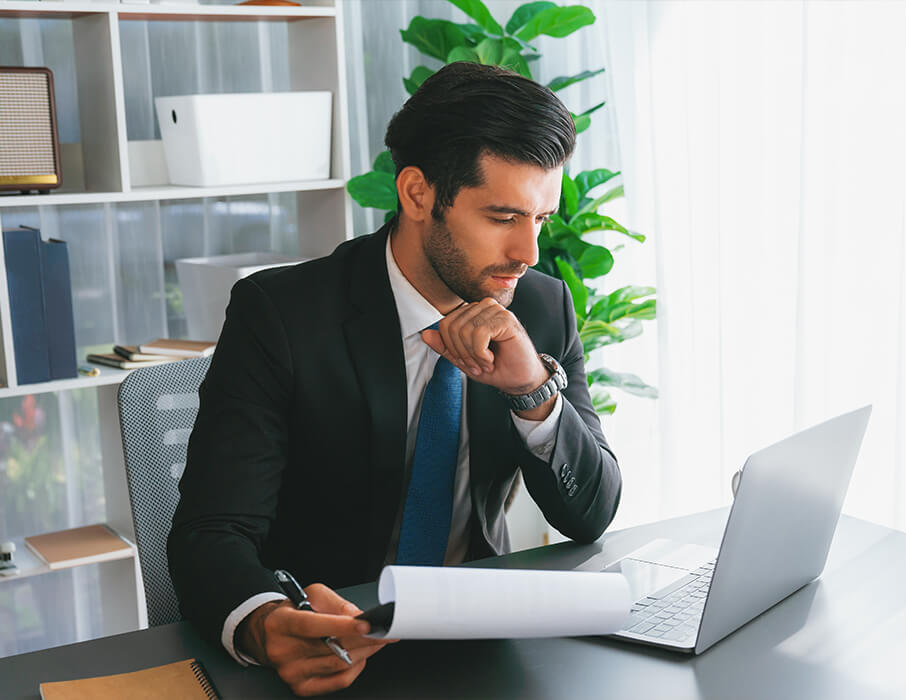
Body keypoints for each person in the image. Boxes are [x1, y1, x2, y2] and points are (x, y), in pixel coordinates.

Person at [168, 61, 622, 697]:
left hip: (477, 649)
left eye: (541, 218)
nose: (529, 253)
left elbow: (590, 514)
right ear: (417, 194)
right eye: (502, 217)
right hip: (332, 641)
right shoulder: (282, 315)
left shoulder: (540, 309)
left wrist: (532, 392)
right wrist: (268, 622)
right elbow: (210, 532)